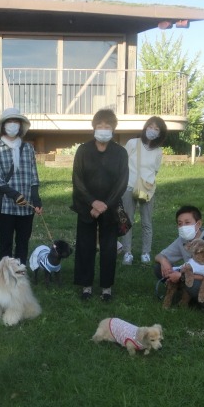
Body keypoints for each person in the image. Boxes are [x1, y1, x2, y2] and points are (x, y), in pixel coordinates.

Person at [71, 108, 129, 301]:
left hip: (110, 207)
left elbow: (122, 181)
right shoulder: (83, 150)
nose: (103, 129)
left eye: (107, 126)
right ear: (94, 127)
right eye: (100, 125)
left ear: (113, 128)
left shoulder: (120, 152)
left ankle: (106, 288)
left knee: (109, 248)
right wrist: (92, 202)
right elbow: (77, 179)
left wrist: (106, 205)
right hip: (86, 205)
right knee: (85, 246)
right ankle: (86, 285)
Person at [153, 205, 204, 313]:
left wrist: (181, 276)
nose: (183, 227)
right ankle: (189, 296)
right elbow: (159, 256)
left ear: (198, 224)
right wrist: (164, 262)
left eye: (187, 223)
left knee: (192, 282)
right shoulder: (182, 240)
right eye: (180, 224)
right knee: (159, 267)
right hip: (192, 277)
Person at [0, 107, 42, 264]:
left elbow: (34, 175)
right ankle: (5, 274)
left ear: (20, 125)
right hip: (5, 206)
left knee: (23, 244)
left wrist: (36, 199)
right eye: (9, 121)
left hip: (26, 207)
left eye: (15, 121)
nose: (12, 124)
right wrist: (14, 195)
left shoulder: (28, 148)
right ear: (3, 125)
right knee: (5, 244)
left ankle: (20, 272)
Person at [120, 116, 167, 266]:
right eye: (150, 127)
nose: (152, 130)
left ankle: (146, 253)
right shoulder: (133, 143)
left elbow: (155, 170)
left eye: (156, 129)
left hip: (147, 189)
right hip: (129, 186)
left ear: (160, 133)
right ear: (145, 127)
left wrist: (147, 183)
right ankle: (127, 252)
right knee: (127, 220)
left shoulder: (158, 151)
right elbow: (122, 163)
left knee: (147, 221)